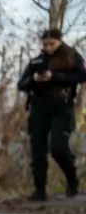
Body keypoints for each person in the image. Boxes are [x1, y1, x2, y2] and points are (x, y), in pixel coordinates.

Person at [18, 28, 86, 202]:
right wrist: (35, 79)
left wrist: (55, 77)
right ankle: (39, 190)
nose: (48, 47)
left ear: (59, 41)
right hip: (39, 107)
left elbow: (82, 75)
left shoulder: (71, 56)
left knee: (58, 147)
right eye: (45, 44)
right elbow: (22, 84)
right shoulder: (37, 61)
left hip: (62, 107)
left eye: (52, 44)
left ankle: (72, 181)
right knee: (38, 150)